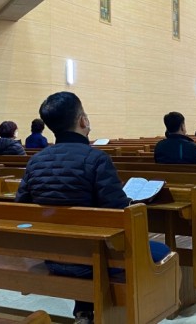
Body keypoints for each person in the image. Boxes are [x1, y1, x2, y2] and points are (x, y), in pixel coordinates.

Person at [15, 92, 169, 324]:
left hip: (52, 256)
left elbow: (22, 207)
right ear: (83, 120)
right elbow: (119, 213)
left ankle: (84, 312)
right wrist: (133, 203)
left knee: (85, 243)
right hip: (94, 259)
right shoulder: (96, 159)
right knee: (163, 252)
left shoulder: (35, 161)